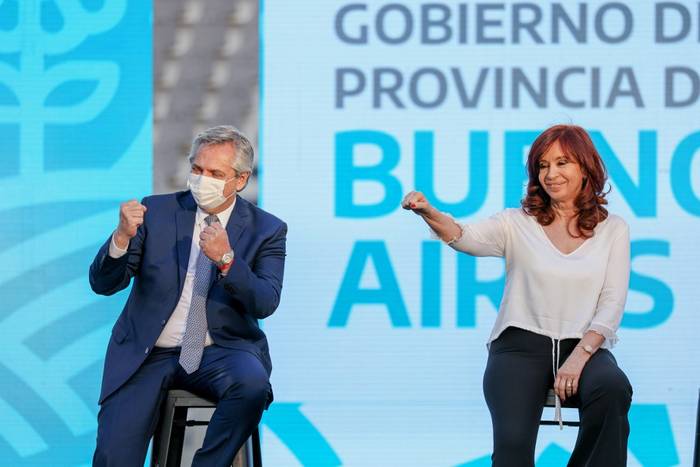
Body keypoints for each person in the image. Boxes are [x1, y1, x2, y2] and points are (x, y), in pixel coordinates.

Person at [402, 124, 632, 466]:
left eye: (561, 163)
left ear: (585, 168)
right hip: (519, 347)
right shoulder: (516, 223)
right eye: (542, 165)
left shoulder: (613, 229)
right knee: (512, 444)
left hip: (584, 347)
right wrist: (429, 213)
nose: (550, 174)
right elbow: (466, 236)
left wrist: (581, 356)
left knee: (613, 388)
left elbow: (612, 301)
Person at [89, 125, 287, 466]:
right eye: (196, 169)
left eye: (215, 173)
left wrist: (227, 260)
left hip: (220, 351)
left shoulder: (267, 229)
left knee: (252, 385)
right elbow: (104, 284)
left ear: (240, 180)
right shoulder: (157, 213)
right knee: (113, 456)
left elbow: (265, 301)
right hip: (149, 353)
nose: (202, 179)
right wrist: (121, 238)